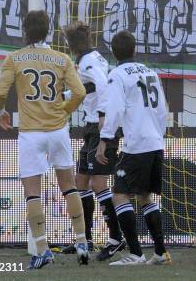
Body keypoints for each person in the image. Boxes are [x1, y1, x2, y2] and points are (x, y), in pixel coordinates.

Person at [0, 10, 88, 269]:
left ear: (25, 31)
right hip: (58, 130)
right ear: (48, 31)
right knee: (69, 186)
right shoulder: (61, 58)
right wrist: (64, 111)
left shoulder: (15, 58)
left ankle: (43, 249)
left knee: (32, 191)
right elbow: (79, 92)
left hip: (31, 133)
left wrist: (1, 113)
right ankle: (82, 241)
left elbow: (1, 92)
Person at [96, 30, 171, 265]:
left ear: (113, 54)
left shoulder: (117, 75)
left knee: (119, 195)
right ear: (135, 49)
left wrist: (105, 138)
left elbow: (115, 109)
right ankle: (160, 252)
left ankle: (136, 253)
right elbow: (163, 111)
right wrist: (158, 135)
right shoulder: (150, 72)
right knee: (144, 196)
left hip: (136, 145)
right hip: (155, 142)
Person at [61, 21, 125, 261]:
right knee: (81, 182)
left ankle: (116, 238)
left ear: (71, 45)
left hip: (100, 128)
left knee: (98, 184)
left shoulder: (88, 62)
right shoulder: (96, 56)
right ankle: (84, 239)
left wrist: (102, 118)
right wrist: (66, 95)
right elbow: (91, 87)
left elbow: (103, 88)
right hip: (91, 128)